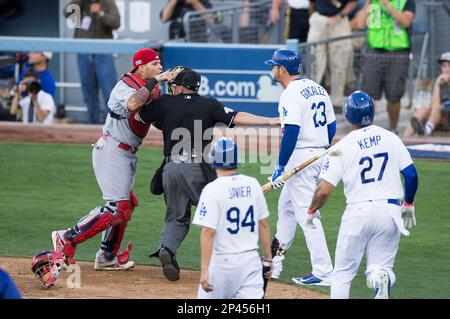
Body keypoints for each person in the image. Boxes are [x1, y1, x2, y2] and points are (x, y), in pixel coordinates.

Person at [136, 67, 278, 281]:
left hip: (170, 168)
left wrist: (153, 85)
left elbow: (136, 111)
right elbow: (237, 117)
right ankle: (227, 263)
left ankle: (167, 248)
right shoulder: (208, 104)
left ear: (180, 86)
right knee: (217, 213)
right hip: (196, 167)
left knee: (176, 216)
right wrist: (269, 121)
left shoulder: (164, 102)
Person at [50, 49, 180, 271]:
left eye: (160, 64)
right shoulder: (125, 86)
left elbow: (152, 117)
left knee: (126, 205)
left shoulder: (154, 87)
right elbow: (132, 103)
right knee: (117, 207)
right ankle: (66, 237)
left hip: (126, 152)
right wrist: (156, 81)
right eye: (155, 64)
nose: (160, 67)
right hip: (112, 149)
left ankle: (106, 256)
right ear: (141, 67)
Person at [306, 90, 418, 299]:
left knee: (342, 274)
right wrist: (408, 204)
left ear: (348, 116)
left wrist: (311, 211)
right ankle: (379, 278)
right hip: (390, 211)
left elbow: (324, 190)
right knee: (380, 268)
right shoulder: (391, 138)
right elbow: (411, 175)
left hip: (358, 211)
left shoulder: (342, 147)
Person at [264, 48, 336, 285]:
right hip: (319, 155)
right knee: (286, 208)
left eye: (274, 66)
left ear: (282, 70)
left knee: (308, 214)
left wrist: (280, 166)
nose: (272, 69)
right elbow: (332, 127)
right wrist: (322, 148)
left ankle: (324, 271)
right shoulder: (318, 88)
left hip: (301, 159)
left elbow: (291, 132)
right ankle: (274, 263)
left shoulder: (290, 94)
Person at [192, 137, 273, 299]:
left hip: (223, 264)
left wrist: (204, 270)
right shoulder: (253, 184)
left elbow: (208, 231)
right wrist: (268, 259)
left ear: (214, 160)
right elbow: (263, 223)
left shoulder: (212, 189)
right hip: (250, 262)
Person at [356, 0, 416, 134]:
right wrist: (368, 3)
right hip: (374, 51)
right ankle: (365, 130)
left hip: (398, 52)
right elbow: (360, 24)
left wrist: (387, 4)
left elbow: (406, 21)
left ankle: (393, 129)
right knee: (368, 94)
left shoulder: (405, 1)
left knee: (394, 95)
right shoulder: (372, 2)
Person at [63, 0, 120, 124]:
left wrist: (100, 13)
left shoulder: (107, 2)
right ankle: (91, 123)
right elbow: (67, 13)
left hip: (103, 51)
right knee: (88, 90)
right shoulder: (81, 3)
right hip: (83, 51)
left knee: (108, 90)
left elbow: (116, 22)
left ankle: (111, 124)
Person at [307, 0, 358, 108]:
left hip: (339, 20)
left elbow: (353, 2)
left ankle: (336, 100)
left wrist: (338, 17)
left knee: (339, 63)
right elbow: (311, 4)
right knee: (315, 62)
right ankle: (310, 99)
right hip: (319, 19)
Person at [404, 51, 450, 137]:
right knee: (422, 110)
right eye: (444, 66)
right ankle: (404, 140)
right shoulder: (439, 81)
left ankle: (426, 130)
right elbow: (432, 105)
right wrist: (437, 84)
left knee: (437, 107)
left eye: (449, 65)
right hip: (439, 117)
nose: (446, 69)